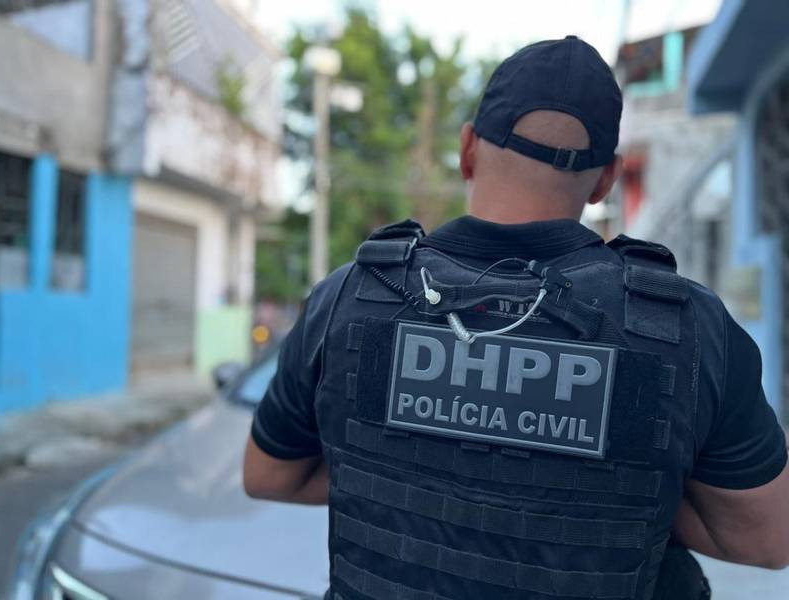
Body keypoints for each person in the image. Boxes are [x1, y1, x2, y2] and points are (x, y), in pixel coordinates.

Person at [243, 36, 789, 600]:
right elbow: (768, 540)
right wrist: (627, 495)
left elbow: (267, 474)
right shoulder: (688, 328)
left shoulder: (350, 294)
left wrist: (422, 477)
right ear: (606, 179)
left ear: (467, 149)